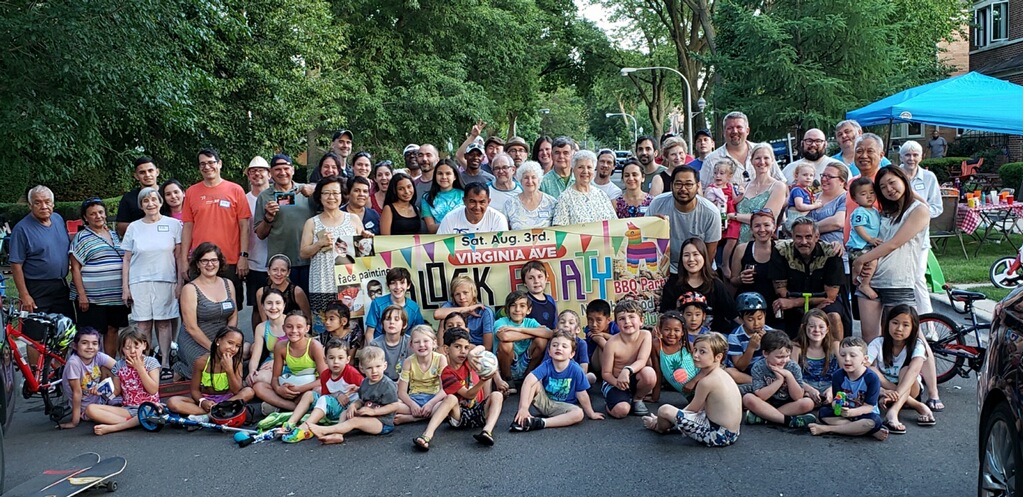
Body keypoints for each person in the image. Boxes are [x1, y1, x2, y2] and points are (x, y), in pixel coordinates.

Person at [850, 166, 930, 344]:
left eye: (892, 182)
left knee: (913, 341)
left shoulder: (918, 210)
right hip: (870, 280)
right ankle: (876, 373)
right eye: (883, 187)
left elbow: (894, 243)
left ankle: (926, 373)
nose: (889, 189)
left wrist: (861, 260)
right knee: (870, 340)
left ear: (904, 180)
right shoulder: (885, 212)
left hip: (897, 282)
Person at [642, 333, 742, 447]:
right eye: (695, 350)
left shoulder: (706, 382)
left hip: (717, 435)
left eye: (702, 352)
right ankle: (662, 423)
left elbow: (691, 410)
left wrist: (666, 417)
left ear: (718, 357)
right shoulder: (723, 374)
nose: (695, 355)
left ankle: (658, 427)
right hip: (733, 433)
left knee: (664, 410)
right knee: (678, 414)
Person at [122, 187, 182, 376]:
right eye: (146, 201)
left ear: (160, 202)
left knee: (164, 323)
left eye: (154, 200)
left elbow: (179, 256)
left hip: (166, 279)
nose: (150, 204)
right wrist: (125, 287)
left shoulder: (173, 224)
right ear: (141, 205)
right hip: (139, 282)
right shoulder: (134, 227)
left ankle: (164, 363)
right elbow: (127, 259)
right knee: (143, 325)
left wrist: (180, 282)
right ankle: (144, 362)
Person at [413, 327, 504, 450]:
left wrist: (472, 354)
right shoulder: (446, 373)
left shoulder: (469, 360)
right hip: (459, 415)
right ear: (446, 349)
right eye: (457, 347)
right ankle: (426, 436)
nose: (463, 351)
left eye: (466, 347)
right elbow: (468, 395)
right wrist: (483, 380)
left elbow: (482, 347)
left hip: (478, 411)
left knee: (497, 395)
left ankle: (487, 431)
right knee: (450, 398)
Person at [179, 148, 251, 303]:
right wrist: (184, 260)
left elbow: (244, 226)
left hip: (229, 260)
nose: (207, 167)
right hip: (201, 260)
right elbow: (187, 227)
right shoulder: (191, 192)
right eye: (202, 164)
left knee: (230, 307)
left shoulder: (235, 190)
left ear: (219, 164)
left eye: (211, 162)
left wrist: (243, 256)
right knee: (200, 307)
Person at [300, 176, 365, 334]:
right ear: (319, 196)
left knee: (350, 328)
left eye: (335, 193)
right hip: (321, 282)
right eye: (326, 193)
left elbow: (364, 255)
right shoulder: (312, 223)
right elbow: (303, 253)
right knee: (323, 327)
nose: (331, 197)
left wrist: (367, 241)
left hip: (348, 284)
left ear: (342, 195)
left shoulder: (353, 219)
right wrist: (319, 243)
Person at [510, 329, 604, 431]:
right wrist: (523, 407)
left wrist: (591, 413)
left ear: (572, 353)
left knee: (579, 413)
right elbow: (528, 381)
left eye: (564, 346)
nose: (559, 348)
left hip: (563, 407)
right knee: (533, 382)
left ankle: (541, 423)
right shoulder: (546, 365)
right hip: (545, 402)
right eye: (555, 345)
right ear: (549, 351)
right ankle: (521, 417)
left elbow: (582, 394)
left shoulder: (576, 370)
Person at [771, 217, 850, 338]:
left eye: (808, 237)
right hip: (792, 303)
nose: (803, 242)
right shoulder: (782, 251)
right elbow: (781, 291)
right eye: (798, 237)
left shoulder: (831, 252)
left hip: (820, 304)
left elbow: (830, 296)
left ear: (817, 237)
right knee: (777, 309)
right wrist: (793, 303)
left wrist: (795, 302)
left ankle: (837, 353)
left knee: (833, 316)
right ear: (792, 236)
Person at [307, 345, 400, 444]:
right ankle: (338, 435)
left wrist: (374, 412)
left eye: (378, 366)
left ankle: (324, 430)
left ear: (384, 366)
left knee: (354, 421)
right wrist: (353, 405)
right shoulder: (365, 382)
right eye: (369, 368)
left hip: (383, 422)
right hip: (368, 416)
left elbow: (395, 405)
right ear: (362, 369)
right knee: (345, 413)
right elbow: (361, 400)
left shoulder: (387, 385)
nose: (374, 371)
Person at [70, 198, 128, 357]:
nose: (98, 216)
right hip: (91, 299)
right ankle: (89, 369)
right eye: (92, 214)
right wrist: (82, 295)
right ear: (85, 217)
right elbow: (75, 268)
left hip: (116, 297)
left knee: (112, 329)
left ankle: (108, 368)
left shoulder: (115, 235)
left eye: (101, 212)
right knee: (91, 335)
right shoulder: (81, 237)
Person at [278, 338, 364, 442]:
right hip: (333, 404)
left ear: (347, 359)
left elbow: (366, 389)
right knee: (309, 394)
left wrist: (355, 403)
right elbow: (326, 395)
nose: (336, 362)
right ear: (325, 360)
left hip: (347, 407)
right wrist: (337, 394)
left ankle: (306, 428)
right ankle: (290, 423)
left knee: (324, 400)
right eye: (331, 358)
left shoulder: (351, 373)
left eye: (340, 358)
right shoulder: (325, 375)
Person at [173, 243, 238, 380]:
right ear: (197, 264)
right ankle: (181, 368)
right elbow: (191, 327)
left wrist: (229, 342)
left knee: (242, 355)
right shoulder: (190, 289)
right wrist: (215, 348)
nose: (210, 264)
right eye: (205, 261)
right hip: (196, 340)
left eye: (214, 260)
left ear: (219, 262)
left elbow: (233, 316)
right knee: (211, 366)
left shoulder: (228, 284)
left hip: (222, 339)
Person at [10, 185, 75, 322]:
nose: (44, 206)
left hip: (61, 285)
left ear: (53, 203)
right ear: (30, 205)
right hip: (36, 288)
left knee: (64, 330)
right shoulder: (21, 229)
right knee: (35, 335)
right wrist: (24, 295)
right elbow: (16, 265)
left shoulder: (57, 219)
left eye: (47, 201)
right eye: (37, 203)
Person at [866, 305, 936, 433]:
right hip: (885, 388)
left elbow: (914, 371)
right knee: (870, 369)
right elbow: (863, 365)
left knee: (906, 370)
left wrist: (895, 394)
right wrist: (882, 390)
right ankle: (917, 405)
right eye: (895, 323)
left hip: (910, 388)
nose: (899, 329)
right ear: (887, 324)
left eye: (905, 325)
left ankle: (893, 412)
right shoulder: (878, 342)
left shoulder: (918, 345)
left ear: (913, 328)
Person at [645, 165, 722, 276]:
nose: (683, 189)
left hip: (700, 268)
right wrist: (654, 225)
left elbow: (711, 251)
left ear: (698, 186)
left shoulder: (711, 212)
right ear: (671, 186)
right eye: (678, 184)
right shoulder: (658, 204)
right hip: (666, 268)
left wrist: (698, 277)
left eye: (689, 184)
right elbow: (645, 236)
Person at [255, 154, 316, 294]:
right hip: (281, 265)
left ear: (293, 170)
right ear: (270, 173)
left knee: (309, 306)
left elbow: (334, 194)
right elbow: (260, 234)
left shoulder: (306, 191)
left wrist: (315, 191)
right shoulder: (265, 196)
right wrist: (268, 217)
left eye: (286, 168)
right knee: (283, 306)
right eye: (277, 169)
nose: (282, 172)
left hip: (309, 260)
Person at [808, 337, 888, 440]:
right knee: (823, 413)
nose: (847, 359)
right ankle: (866, 431)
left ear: (865, 359)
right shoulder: (838, 375)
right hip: (845, 414)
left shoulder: (871, 378)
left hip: (864, 414)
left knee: (873, 421)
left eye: (853, 355)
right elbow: (837, 400)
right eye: (842, 355)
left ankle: (827, 429)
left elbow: (869, 407)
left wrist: (851, 413)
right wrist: (837, 406)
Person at [87, 327, 162, 435]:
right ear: (122, 349)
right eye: (127, 347)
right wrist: (102, 391)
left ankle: (115, 427)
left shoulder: (151, 362)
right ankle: (135, 422)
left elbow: (153, 390)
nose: (132, 351)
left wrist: (140, 368)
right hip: (128, 409)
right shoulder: (119, 366)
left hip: (149, 407)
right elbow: (116, 391)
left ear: (144, 346)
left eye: (136, 347)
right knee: (90, 409)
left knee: (149, 412)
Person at [166, 327, 254, 418]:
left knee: (249, 392)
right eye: (230, 343)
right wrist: (203, 401)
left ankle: (209, 415)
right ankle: (215, 414)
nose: (233, 348)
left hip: (228, 400)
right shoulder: (201, 361)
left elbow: (236, 390)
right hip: (208, 400)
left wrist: (229, 370)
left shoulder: (236, 362)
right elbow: (194, 390)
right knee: (173, 402)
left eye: (237, 346)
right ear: (218, 341)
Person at [900, 140, 942, 323]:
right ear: (901, 156)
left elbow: (937, 207)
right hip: (897, 235)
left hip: (920, 237)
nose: (911, 158)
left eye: (915, 155)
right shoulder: (894, 174)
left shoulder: (929, 177)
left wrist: (920, 215)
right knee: (901, 282)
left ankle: (929, 326)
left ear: (921, 156)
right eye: (907, 155)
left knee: (918, 279)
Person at [741, 331, 817, 428]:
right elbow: (762, 396)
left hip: (788, 404)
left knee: (808, 403)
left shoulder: (793, 367)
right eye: (779, 357)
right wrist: (779, 381)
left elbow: (798, 397)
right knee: (748, 398)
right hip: (766, 403)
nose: (784, 360)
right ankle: (788, 420)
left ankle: (765, 417)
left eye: (787, 356)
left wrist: (789, 376)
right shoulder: (758, 367)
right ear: (765, 353)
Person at [254, 312, 327, 412]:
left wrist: (300, 389)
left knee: (319, 390)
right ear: (283, 328)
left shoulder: (314, 346)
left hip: (309, 388)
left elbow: (325, 378)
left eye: (299, 327)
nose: (294, 331)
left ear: (307, 328)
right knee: (259, 387)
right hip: (292, 385)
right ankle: (294, 407)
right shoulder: (280, 346)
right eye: (289, 327)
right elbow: (275, 377)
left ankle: (284, 406)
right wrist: (279, 389)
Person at [660, 238, 736, 332]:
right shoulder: (673, 284)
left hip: (712, 340)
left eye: (696, 254)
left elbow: (733, 314)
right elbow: (664, 316)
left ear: (704, 256)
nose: (691, 259)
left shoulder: (716, 284)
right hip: (681, 340)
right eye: (686, 255)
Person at [729, 210, 784, 330]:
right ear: (751, 229)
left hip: (774, 308)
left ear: (774, 227)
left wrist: (834, 245)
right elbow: (733, 280)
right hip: (748, 309)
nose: (762, 229)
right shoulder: (742, 249)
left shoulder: (782, 248)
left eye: (766, 225)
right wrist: (740, 279)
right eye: (757, 226)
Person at [601, 300, 655, 418]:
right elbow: (605, 373)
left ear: (641, 320)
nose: (627, 322)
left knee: (649, 374)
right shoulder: (612, 343)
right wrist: (617, 383)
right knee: (621, 411)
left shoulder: (645, 335)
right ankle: (611, 403)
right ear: (616, 324)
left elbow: (642, 360)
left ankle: (637, 399)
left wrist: (627, 370)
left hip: (633, 376)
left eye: (632, 317)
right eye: (622, 319)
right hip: (614, 381)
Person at [699, 111, 784, 187]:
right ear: (724, 132)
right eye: (730, 128)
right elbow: (702, 192)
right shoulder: (711, 160)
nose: (735, 131)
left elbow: (782, 182)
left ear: (747, 130)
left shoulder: (763, 152)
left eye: (739, 127)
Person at [728, 143, 787, 244]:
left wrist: (734, 216)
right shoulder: (743, 186)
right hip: (734, 243)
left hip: (760, 244)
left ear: (772, 161)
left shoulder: (778, 187)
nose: (762, 162)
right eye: (758, 158)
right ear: (751, 161)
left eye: (766, 158)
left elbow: (764, 218)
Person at [59, 328, 116, 430]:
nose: (90, 347)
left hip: (101, 398)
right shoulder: (74, 363)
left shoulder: (98, 356)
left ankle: (127, 410)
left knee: (113, 370)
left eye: (94, 343)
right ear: (75, 346)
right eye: (84, 343)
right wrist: (74, 422)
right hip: (86, 408)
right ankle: (126, 421)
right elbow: (77, 393)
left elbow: (121, 368)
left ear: (98, 347)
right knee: (115, 412)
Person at [394, 325, 448, 425]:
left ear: (434, 343)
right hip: (414, 398)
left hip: (435, 399)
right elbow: (401, 392)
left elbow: (444, 389)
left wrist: (430, 404)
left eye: (426, 341)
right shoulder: (408, 362)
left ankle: (414, 418)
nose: (421, 345)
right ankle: (425, 414)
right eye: (417, 342)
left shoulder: (440, 359)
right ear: (411, 345)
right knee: (393, 406)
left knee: (447, 404)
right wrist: (412, 405)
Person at [432, 275, 497, 356]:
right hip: (452, 351)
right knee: (445, 318)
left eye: (465, 293)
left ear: (473, 293)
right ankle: (442, 353)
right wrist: (466, 309)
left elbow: (488, 347)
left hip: (477, 351)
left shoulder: (485, 312)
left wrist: (468, 351)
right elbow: (437, 314)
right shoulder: (451, 305)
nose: (462, 297)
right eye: (457, 294)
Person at [495, 290, 551, 383]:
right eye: (513, 305)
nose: (517, 309)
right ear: (507, 309)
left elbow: (549, 333)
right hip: (507, 365)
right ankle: (508, 380)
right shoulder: (501, 322)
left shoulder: (530, 322)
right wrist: (533, 334)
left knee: (542, 340)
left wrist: (519, 329)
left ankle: (528, 377)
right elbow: (505, 336)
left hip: (526, 363)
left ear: (528, 310)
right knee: (506, 344)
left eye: (522, 306)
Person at [552, 150, 618, 226]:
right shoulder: (564, 198)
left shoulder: (602, 195)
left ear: (594, 170)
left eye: (589, 167)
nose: (585, 171)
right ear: (573, 170)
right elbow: (559, 231)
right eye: (580, 167)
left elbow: (614, 224)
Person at [843, 133, 886, 244]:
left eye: (870, 151)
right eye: (859, 151)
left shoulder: (886, 183)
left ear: (881, 155)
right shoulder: (852, 183)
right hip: (852, 249)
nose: (864, 156)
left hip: (876, 251)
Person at [243, 156, 272, 323]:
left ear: (269, 174)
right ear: (248, 175)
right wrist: (243, 257)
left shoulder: (279, 196)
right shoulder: (243, 200)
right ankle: (259, 344)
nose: (257, 174)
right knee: (257, 306)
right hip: (255, 261)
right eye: (253, 171)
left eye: (261, 170)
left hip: (278, 260)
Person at [725, 292, 775, 385]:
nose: (756, 323)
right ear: (741, 319)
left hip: (768, 369)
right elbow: (741, 367)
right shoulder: (735, 337)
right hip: (747, 373)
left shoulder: (771, 332)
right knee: (729, 372)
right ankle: (760, 383)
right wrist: (751, 347)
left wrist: (767, 342)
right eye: (750, 320)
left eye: (760, 318)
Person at [793, 309, 840, 406]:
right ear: (804, 327)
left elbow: (845, 372)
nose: (816, 330)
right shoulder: (797, 348)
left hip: (831, 385)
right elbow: (793, 375)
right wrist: (810, 389)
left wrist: (833, 389)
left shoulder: (835, 346)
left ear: (827, 329)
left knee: (838, 403)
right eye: (811, 326)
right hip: (806, 386)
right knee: (806, 403)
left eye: (821, 326)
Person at [650, 311, 698, 402]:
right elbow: (658, 372)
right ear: (660, 329)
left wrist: (694, 381)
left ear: (683, 332)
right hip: (690, 397)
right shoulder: (657, 345)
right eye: (667, 329)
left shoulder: (688, 346)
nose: (671, 333)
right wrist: (655, 397)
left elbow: (707, 368)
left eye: (676, 330)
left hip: (702, 386)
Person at [847, 178, 883, 300]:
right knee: (872, 261)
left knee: (872, 262)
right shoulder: (860, 211)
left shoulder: (875, 211)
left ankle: (856, 276)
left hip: (867, 246)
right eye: (863, 194)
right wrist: (870, 239)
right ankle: (864, 284)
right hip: (859, 245)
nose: (869, 196)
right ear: (854, 198)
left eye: (872, 193)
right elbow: (858, 227)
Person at [364, 267, 424, 339]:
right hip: (379, 348)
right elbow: (369, 333)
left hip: (404, 348)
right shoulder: (377, 303)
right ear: (388, 286)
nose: (398, 287)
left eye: (402, 283)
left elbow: (421, 332)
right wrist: (373, 349)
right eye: (393, 283)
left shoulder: (414, 307)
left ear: (408, 285)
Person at [704, 160, 740, 273]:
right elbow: (707, 202)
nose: (718, 175)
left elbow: (735, 200)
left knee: (733, 237)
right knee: (714, 241)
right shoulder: (711, 188)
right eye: (715, 173)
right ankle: (709, 263)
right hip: (719, 216)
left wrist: (742, 194)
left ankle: (725, 263)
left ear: (729, 176)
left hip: (730, 215)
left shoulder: (730, 187)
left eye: (721, 173)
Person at [253, 254, 311, 324]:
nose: (279, 274)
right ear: (268, 271)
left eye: (283, 270)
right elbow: (265, 321)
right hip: (272, 331)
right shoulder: (261, 292)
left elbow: (308, 319)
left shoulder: (296, 292)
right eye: (275, 270)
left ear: (288, 272)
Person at [246, 288, 287, 386]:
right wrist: (252, 371)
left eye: (278, 303)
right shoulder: (261, 327)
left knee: (260, 381)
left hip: (291, 363)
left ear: (284, 305)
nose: (273, 307)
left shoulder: (291, 322)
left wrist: (278, 362)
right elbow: (255, 356)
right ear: (263, 306)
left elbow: (301, 352)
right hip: (270, 364)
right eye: (269, 303)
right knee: (256, 379)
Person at [437, 183, 509, 234]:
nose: (477, 207)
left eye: (482, 202)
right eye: (472, 202)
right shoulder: (449, 219)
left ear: (488, 202)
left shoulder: (498, 219)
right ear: (464, 201)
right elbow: (441, 247)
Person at [115, 156, 160, 238]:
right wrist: (147, 227)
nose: (147, 175)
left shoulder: (167, 194)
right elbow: (121, 228)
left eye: (150, 171)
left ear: (157, 172)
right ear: (136, 176)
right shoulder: (128, 198)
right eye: (142, 172)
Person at [504, 161, 557, 230]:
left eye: (533, 177)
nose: (530, 181)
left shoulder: (551, 203)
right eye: (526, 177)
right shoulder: (510, 204)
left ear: (539, 179)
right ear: (521, 180)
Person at [780, 128, 845, 183]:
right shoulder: (789, 169)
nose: (813, 144)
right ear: (802, 143)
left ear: (825, 144)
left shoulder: (838, 167)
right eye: (809, 141)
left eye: (818, 141)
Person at [806, 163, 849, 244]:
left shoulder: (846, 198)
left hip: (833, 249)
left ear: (842, 181)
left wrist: (806, 231)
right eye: (823, 175)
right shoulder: (811, 197)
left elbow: (838, 222)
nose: (824, 179)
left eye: (829, 177)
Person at [421, 159, 465, 234]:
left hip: (463, 239)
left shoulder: (465, 194)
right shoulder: (427, 198)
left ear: (455, 176)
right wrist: (453, 225)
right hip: (440, 241)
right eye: (440, 173)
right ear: (435, 176)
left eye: (448, 173)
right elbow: (431, 228)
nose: (444, 177)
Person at [369, 305, 412, 382]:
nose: (391, 322)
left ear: (404, 325)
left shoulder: (410, 342)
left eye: (396, 319)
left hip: (406, 382)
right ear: (382, 324)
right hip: (382, 383)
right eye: (388, 319)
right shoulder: (375, 345)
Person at [584, 299, 619, 380]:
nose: (594, 325)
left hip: (617, 360)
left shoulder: (615, 326)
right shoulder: (588, 330)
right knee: (601, 341)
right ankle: (607, 378)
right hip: (596, 366)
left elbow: (622, 340)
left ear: (608, 320)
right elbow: (600, 341)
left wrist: (604, 334)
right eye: (590, 320)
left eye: (599, 320)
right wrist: (602, 337)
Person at [521, 260, 558, 330]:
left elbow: (555, 324)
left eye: (540, 276)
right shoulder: (523, 301)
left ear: (546, 279)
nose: (536, 281)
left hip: (551, 337)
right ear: (524, 283)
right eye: (531, 278)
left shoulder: (550, 300)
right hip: (531, 339)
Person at [785, 163, 821, 230]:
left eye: (811, 175)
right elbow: (799, 206)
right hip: (795, 221)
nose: (808, 177)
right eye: (805, 175)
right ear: (796, 176)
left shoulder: (806, 189)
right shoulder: (797, 190)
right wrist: (815, 206)